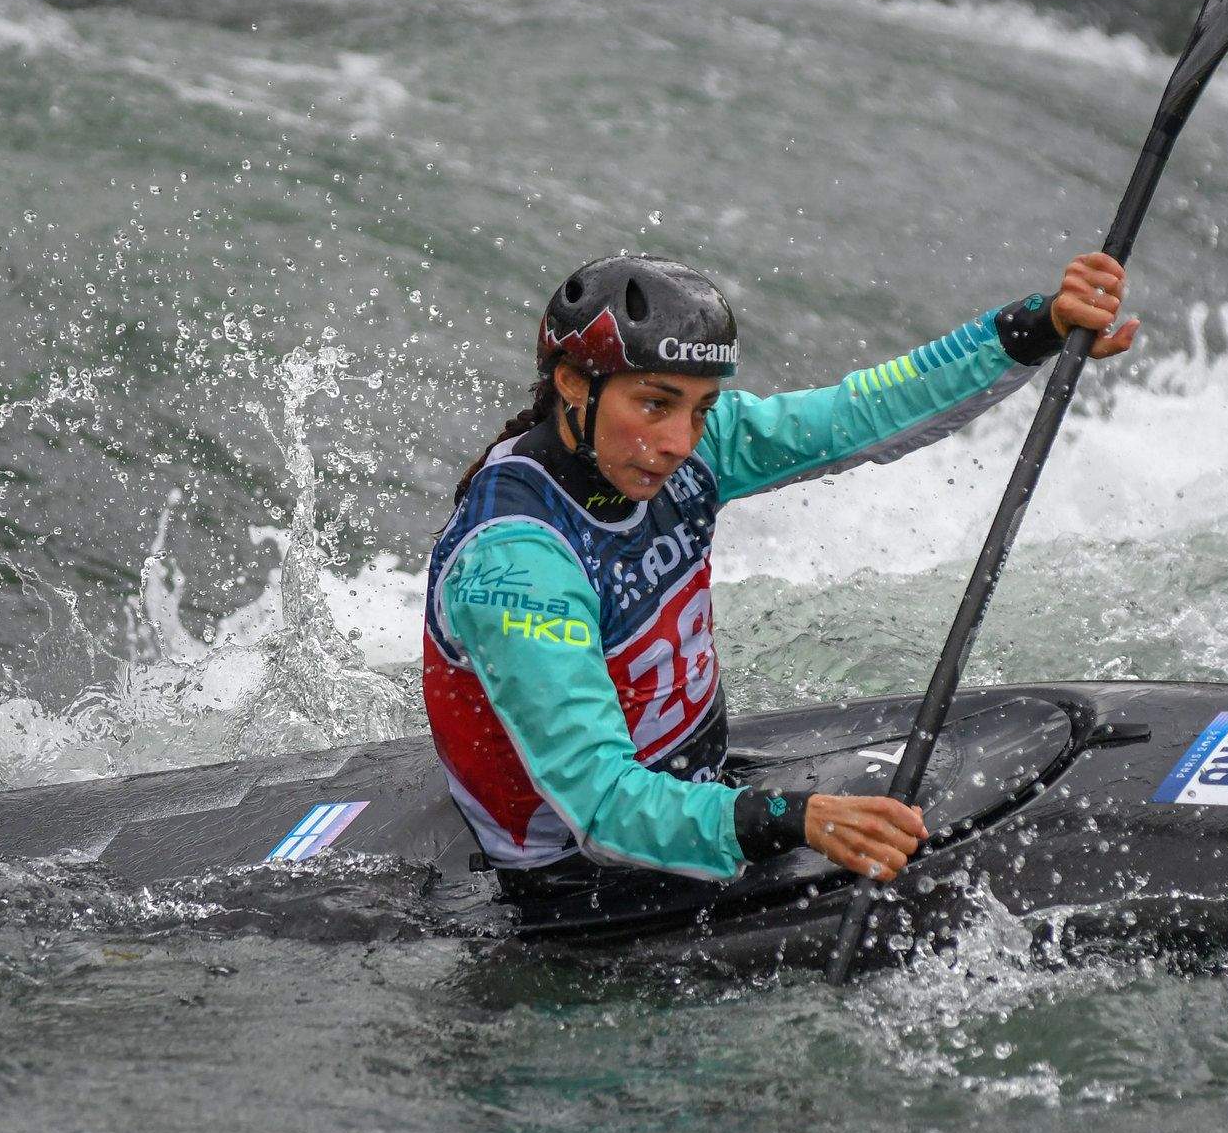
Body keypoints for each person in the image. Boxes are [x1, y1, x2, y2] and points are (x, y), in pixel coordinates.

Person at [422, 253, 1136, 901]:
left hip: (701, 790)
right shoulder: (515, 562)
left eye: (701, 409)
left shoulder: (688, 451)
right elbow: (603, 804)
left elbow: (860, 414)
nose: (678, 442)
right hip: (577, 871)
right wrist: (796, 819)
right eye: (654, 403)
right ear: (573, 384)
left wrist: (1034, 328)